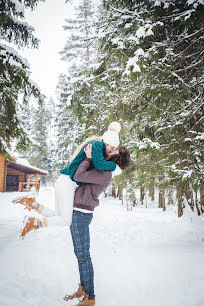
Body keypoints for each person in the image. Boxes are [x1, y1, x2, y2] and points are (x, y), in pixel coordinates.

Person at [15, 144, 130, 306]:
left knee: (83, 256)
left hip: (81, 213)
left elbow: (79, 174)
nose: (112, 151)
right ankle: (84, 289)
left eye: (115, 151)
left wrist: (89, 158)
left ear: (117, 158)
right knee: (80, 254)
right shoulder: (103, 170)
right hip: (78, 210)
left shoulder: (105, 173)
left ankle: (90, 296)